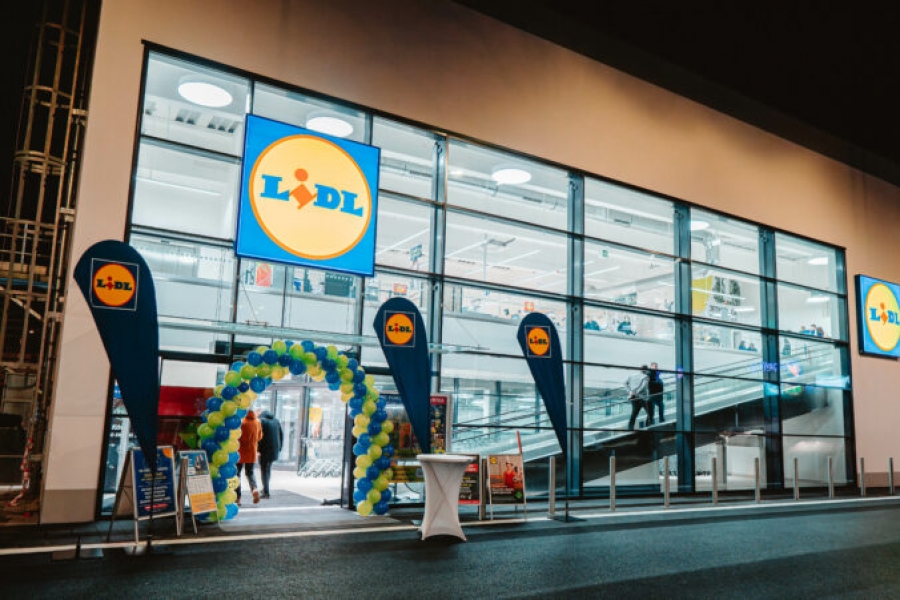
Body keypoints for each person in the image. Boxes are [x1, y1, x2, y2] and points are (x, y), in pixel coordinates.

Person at [236, 410, 263, 505]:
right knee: (250, 473)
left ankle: (237, 498)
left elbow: (237, 436)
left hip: (240, 452)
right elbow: (259, 437)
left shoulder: (241, 421)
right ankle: (254, 489)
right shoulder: (257, 421)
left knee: (237, 475)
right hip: (252, 452)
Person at [257, 410, 284, 500]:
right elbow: (281, 435)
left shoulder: (261, 421)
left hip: (265, 450)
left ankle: (266, 492)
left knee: (264, 471)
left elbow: (259, 437)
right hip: (274, 450)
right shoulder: (276, 420)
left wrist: (257, 450)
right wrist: (279, 447)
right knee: (267, 470)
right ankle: (265, 488)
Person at [625, 366, 650, 430]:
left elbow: (625, 383)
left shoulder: (632, 376)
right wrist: (637, 392)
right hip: (642, 398)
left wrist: (630, 392)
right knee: (650, 412)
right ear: (646, 371)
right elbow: (644, 386)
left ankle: (630, 428)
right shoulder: (646, 377)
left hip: (633, 398)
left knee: (634, 414)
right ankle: (648, 427)